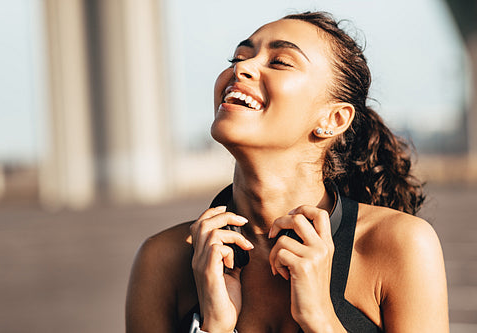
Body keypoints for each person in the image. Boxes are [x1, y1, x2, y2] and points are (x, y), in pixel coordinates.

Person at [125, 11, 449, 333]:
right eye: (238, 56)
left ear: (333, 120)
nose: (241, 67)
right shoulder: (163, 261)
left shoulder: (401, 246)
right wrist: (213, 328)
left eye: (280, 61)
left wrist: (321, 320)